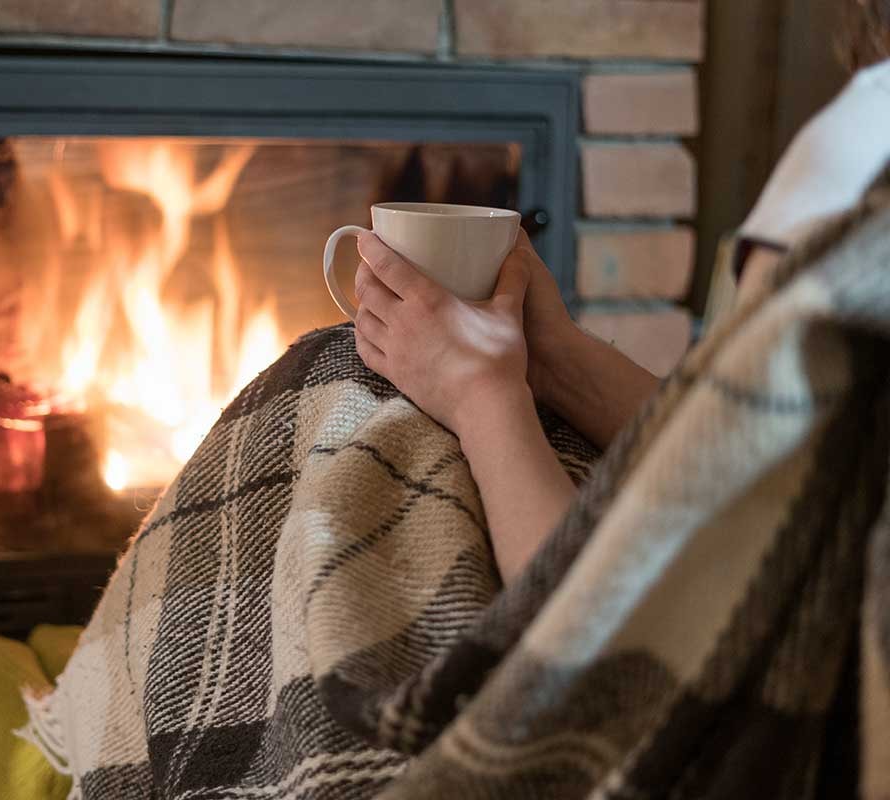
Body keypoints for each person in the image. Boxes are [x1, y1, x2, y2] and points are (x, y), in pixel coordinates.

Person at [351, 28, 890, 585]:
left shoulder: (861, 150)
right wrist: (554, 358)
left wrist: (479, 392)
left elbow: (581, 632)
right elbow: (771, 462)